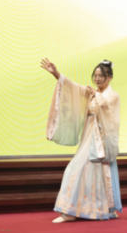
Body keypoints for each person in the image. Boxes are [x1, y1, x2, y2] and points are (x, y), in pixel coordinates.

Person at [40, 58, 122, 223]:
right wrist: (56, 74)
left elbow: (105, 104)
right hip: (88, 139)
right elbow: (73, 88)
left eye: (101, 76)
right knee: (78, 171)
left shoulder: (113, 95)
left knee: (84, 172)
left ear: (110, 77)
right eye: (95, 75)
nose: (97, 79)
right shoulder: (92, 92)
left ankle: (93, 210)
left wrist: (96, 94)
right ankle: (75, 210)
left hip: (100, 143)